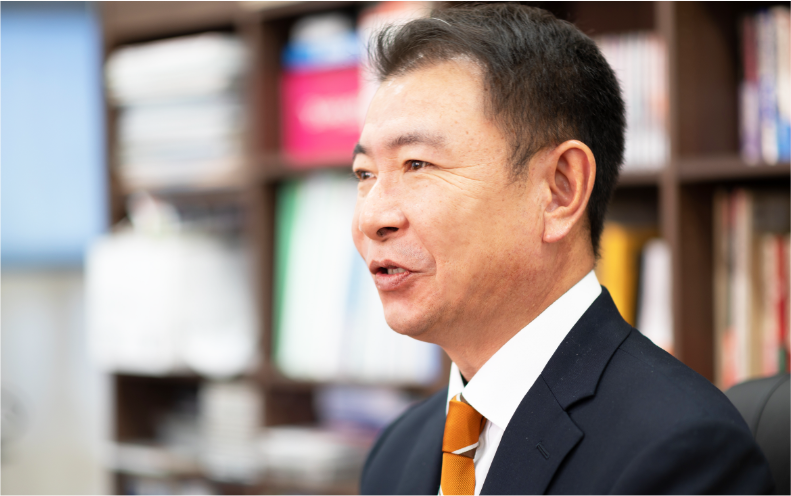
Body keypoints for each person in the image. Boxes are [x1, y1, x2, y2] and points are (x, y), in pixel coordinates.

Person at [350, 3, 774, 496]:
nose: (371, 218)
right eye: (364, 174)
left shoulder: (682, 451)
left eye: (417, 164)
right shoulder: (396, 451)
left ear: (559, 190)